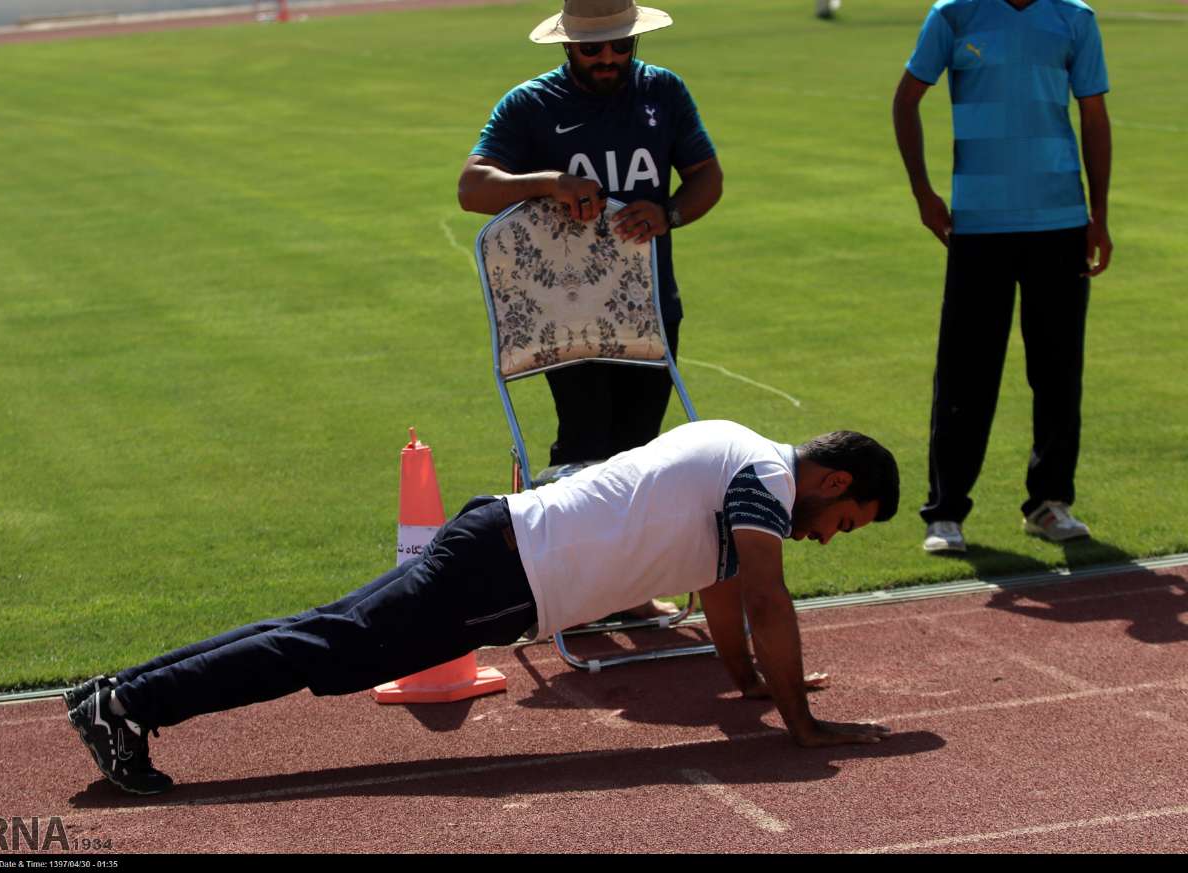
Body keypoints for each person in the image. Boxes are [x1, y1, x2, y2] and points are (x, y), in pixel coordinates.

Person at [66, 421, 898, 794]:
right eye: (844, 523)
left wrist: (752, 685)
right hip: (503, 573)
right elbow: (765, 595)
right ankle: (129, 702)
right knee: (324, 646)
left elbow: (724, 599)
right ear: (831, 481)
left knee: (318, 635)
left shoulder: (741, 457)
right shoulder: (766, 481)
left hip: (499, 549)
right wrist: (802, 727)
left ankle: (120, 695)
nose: (827, 537)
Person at [459, 0, 722, 618]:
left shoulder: (664, 91)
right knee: (583, 443)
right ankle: (566, 588)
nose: (608, 59)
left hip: (649, 305)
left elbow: (707, 176)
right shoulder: (530, 104)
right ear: (566, 46)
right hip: (563, 310)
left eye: (620, 46)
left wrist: (671, 212)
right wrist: (549, 182)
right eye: (592, 49)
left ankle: (624, 591)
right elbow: (473, 187)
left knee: (639, 450)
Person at [892, 0, 1112, 554]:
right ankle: (945, 513)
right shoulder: (954, 15)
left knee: (1059, 372)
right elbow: (907, 99)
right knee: (966, 373)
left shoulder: (1074, 19)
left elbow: (1094, 115)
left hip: (1060, 222)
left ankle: (1049, 503)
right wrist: (923, 193)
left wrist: (1099, 217)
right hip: (979, 225)